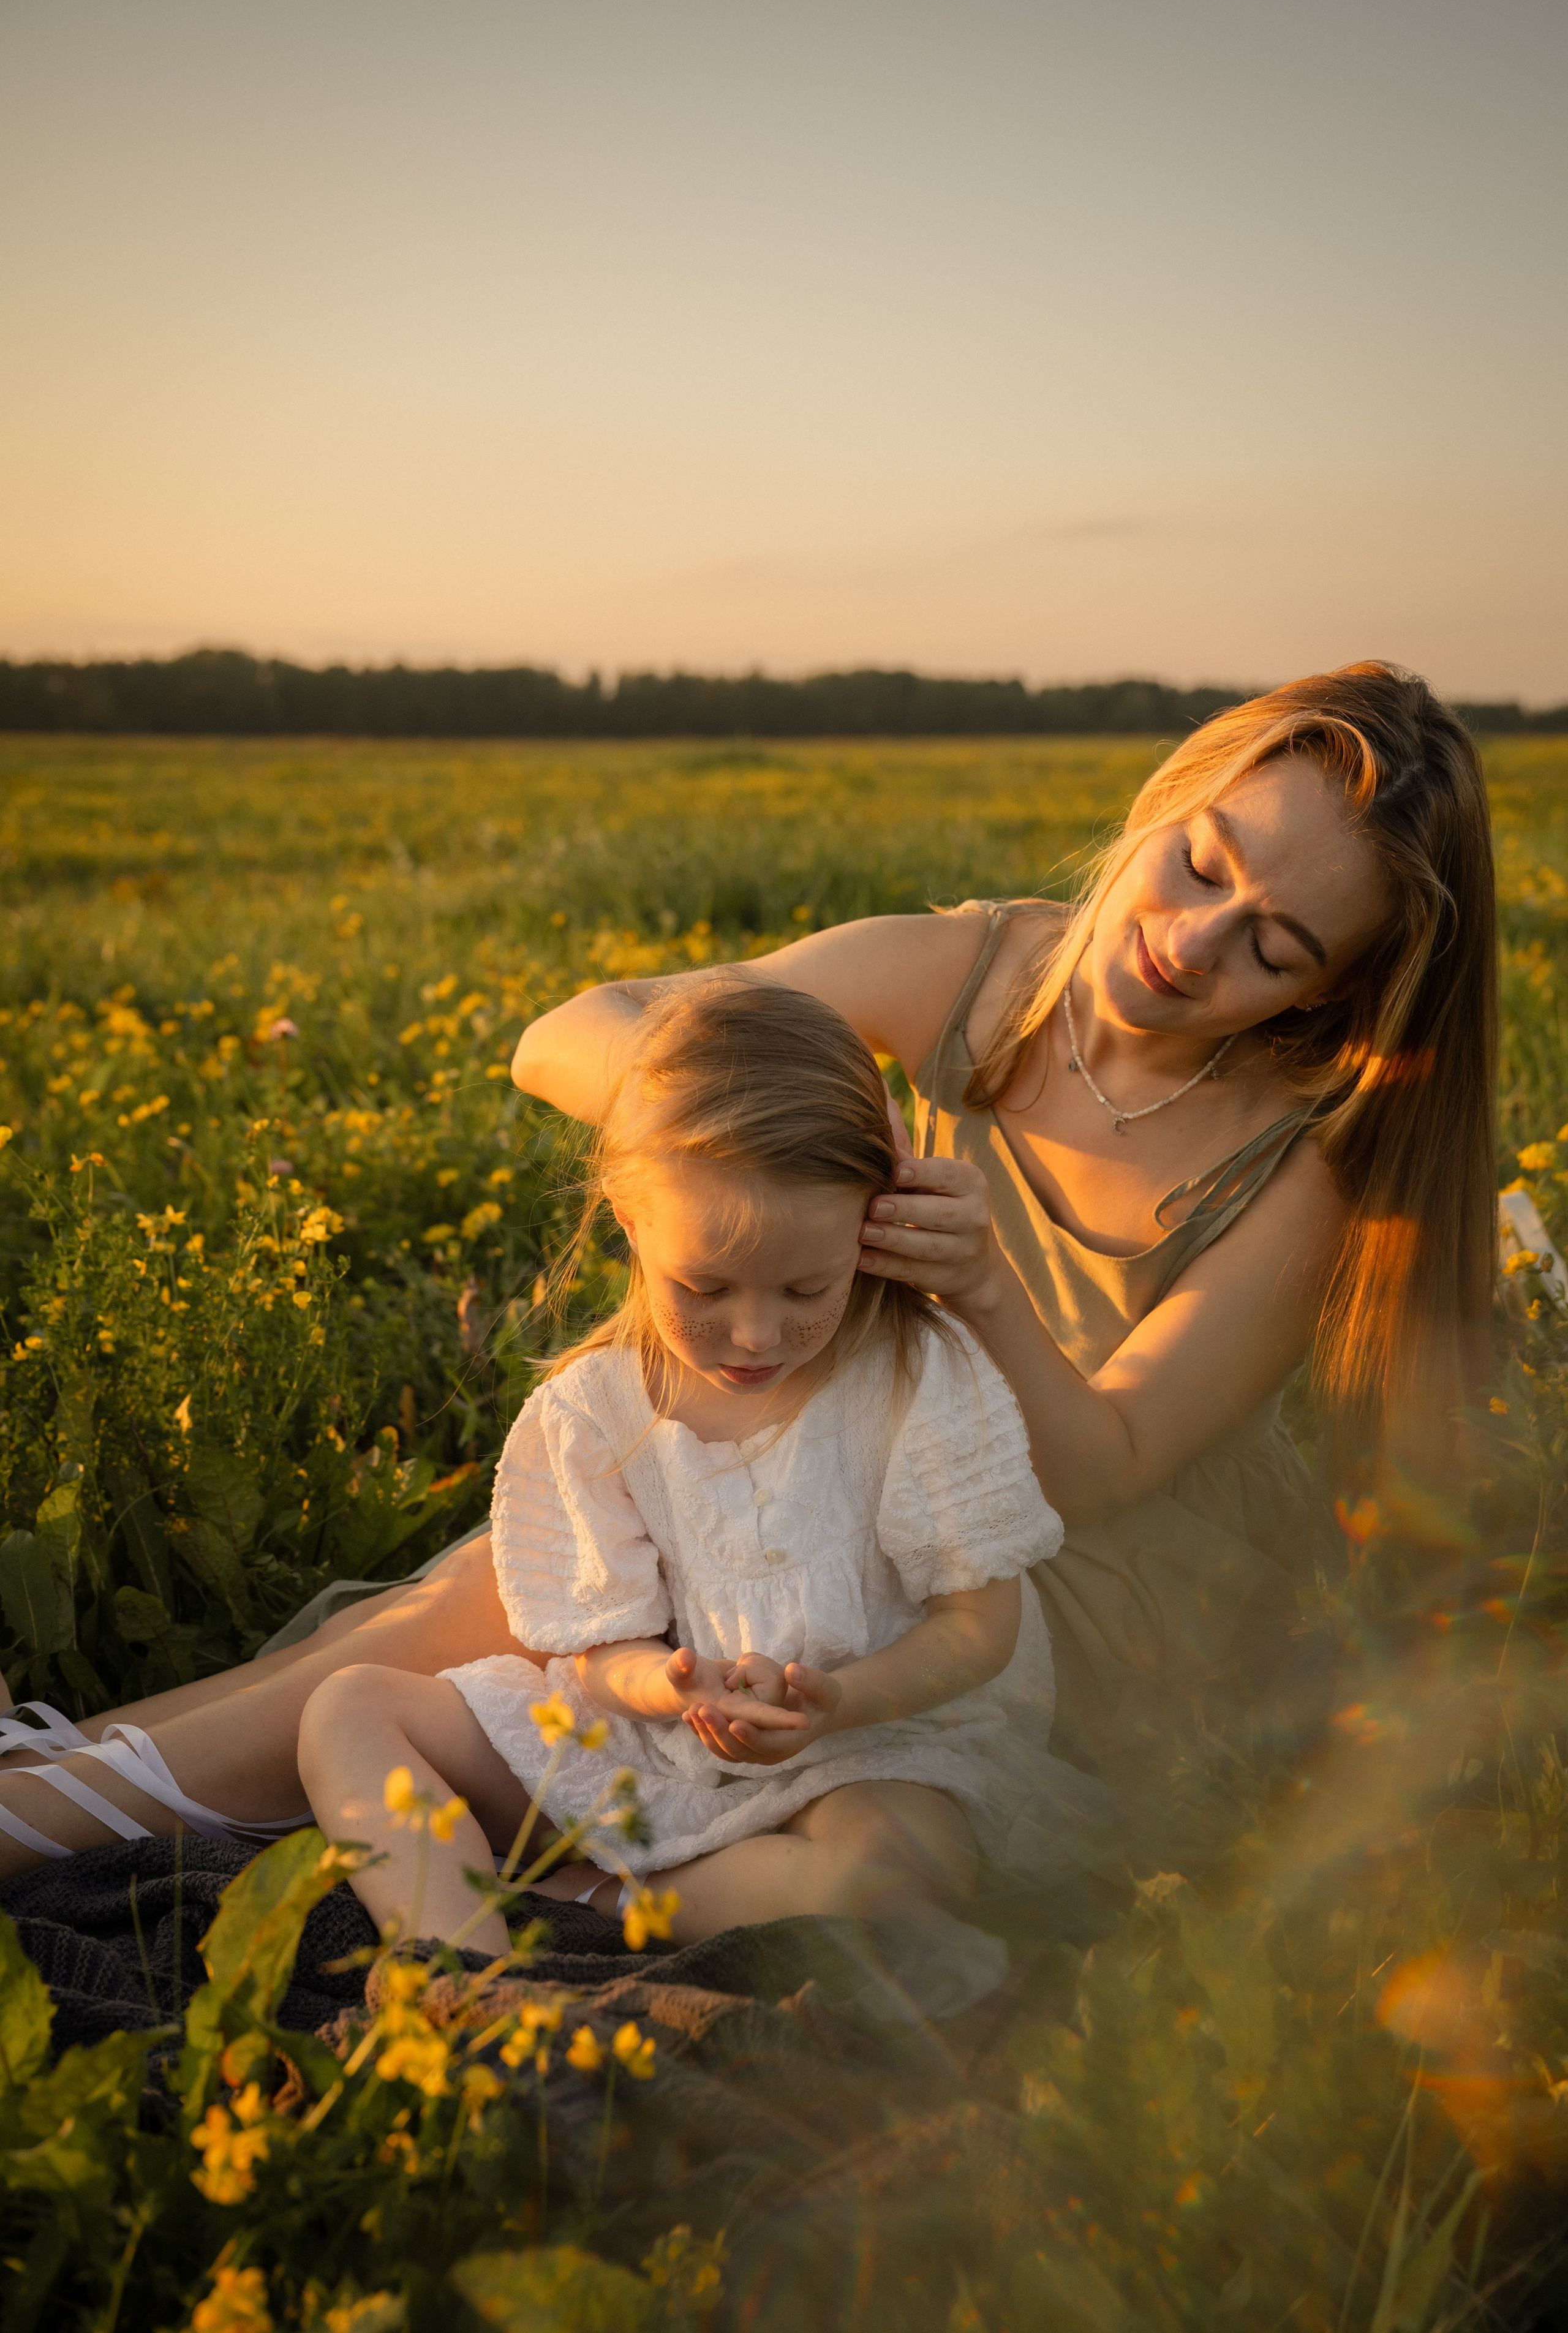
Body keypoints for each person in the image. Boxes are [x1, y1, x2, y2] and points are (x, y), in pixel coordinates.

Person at [0, 660, 1498, 1875]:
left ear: (1332, 987)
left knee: (516, 1605)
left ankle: (63, 1808)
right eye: (1200, 863)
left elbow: (1102, 1467)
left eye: (1275, 944)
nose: (1192, 938)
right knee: (486, 1591)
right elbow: (567, 1036)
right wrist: (796, 1149)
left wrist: (975, 1282)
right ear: (1166, 801)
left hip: (1044, 1593)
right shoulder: (982, 970)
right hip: (831, 1458)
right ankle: (60, 1781)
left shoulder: (1297, 1165)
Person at [295, 975, 1060, 1956]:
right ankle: (465, 1975)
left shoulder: (917, 1378)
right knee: (349, 1707)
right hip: (655, 1747)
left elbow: (979, 1628)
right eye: (705, 1284)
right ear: (628, 1217)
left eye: (805, 1286)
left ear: (872, 1226)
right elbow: (597, 1650)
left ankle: (595, 1901)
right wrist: (672, 1686)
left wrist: (837, 1703)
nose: (755, 1330)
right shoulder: (595, 1411)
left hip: (870, 1748)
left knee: (890, 1869)